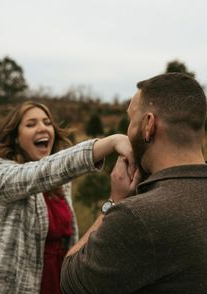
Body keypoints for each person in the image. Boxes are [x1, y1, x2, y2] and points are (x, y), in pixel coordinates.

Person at [60, 73, 207, 293]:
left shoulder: (136, 217)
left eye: (131, 120)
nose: (128, 130)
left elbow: (71, 281)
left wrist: (115, 202)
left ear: (148, 125)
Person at [0, 101, 133, 294]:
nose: (42, 128)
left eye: (47, 122)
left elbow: (70, 243)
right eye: (31, 124)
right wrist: (110, 142)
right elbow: (38, 174)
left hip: (55, 283)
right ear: (15, 137)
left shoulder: (60, 184)